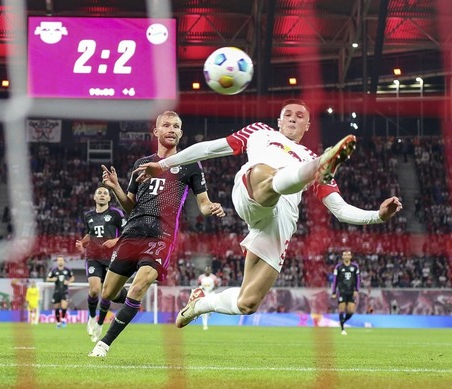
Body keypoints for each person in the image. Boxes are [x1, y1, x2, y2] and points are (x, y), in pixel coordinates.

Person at [133, 99, 402, 329]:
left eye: (300, 116)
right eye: (288, 114)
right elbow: (209, 148)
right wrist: (165, 164)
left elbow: (341, 211)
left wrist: (378, 216)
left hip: (278, 223)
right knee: (266, 174)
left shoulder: (308, 154)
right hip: (251, 190)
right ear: (279, 120)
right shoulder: (259, 132)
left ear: (308, 125)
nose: (293, 119)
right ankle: (317, 168)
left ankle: (200, 302)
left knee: (247, 303)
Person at [89, 110, 226, 357]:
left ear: (181, 133)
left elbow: (203, 204)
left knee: (138, 286)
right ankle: (128, 304)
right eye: (167, 125)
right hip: (133, 231)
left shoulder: (189, 164)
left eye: (176, 126)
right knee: (106, 293)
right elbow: (130, 206)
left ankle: (104, 343)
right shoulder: (141, 164)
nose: (172, 129)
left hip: (161, 235)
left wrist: (211, 207)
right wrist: (116, 186)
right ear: (157, 131)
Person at [76, 185, 126, 341]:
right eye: (99, 193)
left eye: (105, 193)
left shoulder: (116, 214)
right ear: (95, 197)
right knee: (94, 290)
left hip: (112, 259)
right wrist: (83, 243)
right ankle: (91, 317)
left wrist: (115, 241)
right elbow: (91, 233)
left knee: (108, 293)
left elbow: (127, 232)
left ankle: (99, 323)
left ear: (110, 198)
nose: (103, 195)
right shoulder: (88, 216)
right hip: (94, 257)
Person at [331, 249, 360, 335]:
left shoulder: (355, 267)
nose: (347, 256)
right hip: (342, 291)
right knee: (341, 309)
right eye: (345, 255)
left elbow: (358, 279)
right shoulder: (338, 267)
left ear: (350, 257)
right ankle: (342, 329)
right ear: (343, 257)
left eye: (348, 255)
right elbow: (335, 280)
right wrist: (333, 291)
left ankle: (342, 321)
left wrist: (356, 289)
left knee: (351, 311)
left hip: (351, 291)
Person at [46, 256, 75, 328]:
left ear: (63, 261)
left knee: (64, 306)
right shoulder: (54, 270)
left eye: (61, 260)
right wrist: (53, 279)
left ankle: (63, 320)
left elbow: (73, 277)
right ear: (57, 262)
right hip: (56, 291)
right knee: (56, 308)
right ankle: (58, 322)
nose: (60, 261)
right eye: (59, 260)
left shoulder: (67, 270)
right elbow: (47, 278)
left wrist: (68, 281)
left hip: (64, 291)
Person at [197, 266, 219, 330]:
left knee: (211, 307)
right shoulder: (201, 277)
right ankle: (205, 325)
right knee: (204, 310)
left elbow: (217, 285)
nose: (207, 271)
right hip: (204, 293)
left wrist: (212, 289)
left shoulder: (213, 277)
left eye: (209, 270)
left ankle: (210, 313)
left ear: (210, 271)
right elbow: (198, 284)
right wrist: (201, 288)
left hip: (211, 293)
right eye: (207, 270)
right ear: (205, 270)